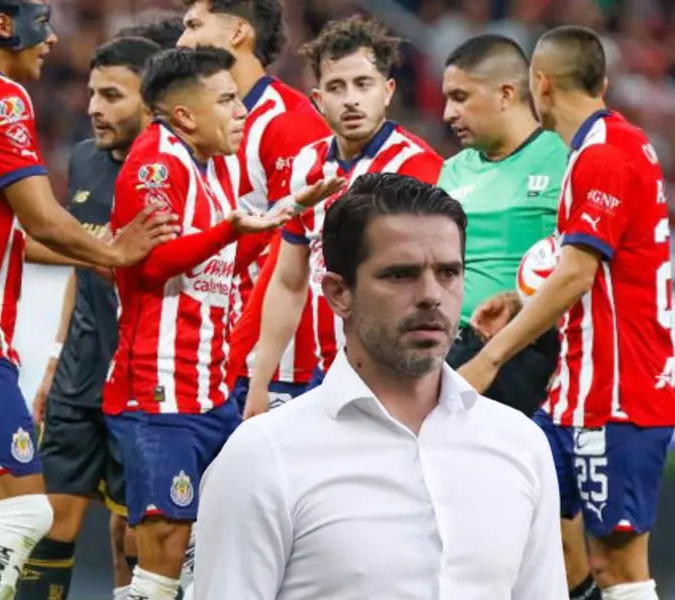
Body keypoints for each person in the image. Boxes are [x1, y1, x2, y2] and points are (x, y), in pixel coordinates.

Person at [0, 3, 177, 599]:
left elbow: (16, 237)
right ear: (5, 25)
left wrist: (94, 251)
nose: (52, 37)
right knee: (29, 514)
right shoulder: (0, 97)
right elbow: (45, 220)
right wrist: (118, 252)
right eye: (40, 20)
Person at [193, 172, 567, 599]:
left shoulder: (521, 446)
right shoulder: (261, 458)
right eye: (400, 275)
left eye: (448, 272)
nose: (431, 295)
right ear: (339, 293)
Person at [101, 45, 341, 600]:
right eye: (228, 100)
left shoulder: (207, 168)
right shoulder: (156, 161)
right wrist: (232, 229)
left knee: (202, 560)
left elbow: (218, 254)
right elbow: (152, 260)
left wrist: (289, 210)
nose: (241, 113)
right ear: (185, 114)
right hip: (160, 392)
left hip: (208, 390)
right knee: (159, 569)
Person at [457, 25, 675, 599]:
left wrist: (490, 358)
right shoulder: (605, 144)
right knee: (541, 526)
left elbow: (579, 272)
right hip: (576, 391)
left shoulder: (602, 155)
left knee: (619, 565)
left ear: (540, 84)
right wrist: (519, 299)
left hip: (618, 390)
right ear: (601, 82)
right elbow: (586, 268)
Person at [18, 36, 164, 600]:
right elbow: (81, 265)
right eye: (92, 93)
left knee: (135, 535)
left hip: (143, 375)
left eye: (112, 95)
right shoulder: (83, 159)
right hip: (80, 372)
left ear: (150, 103)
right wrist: (55, 358)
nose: (94, 108)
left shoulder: (178, 172)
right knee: (51, 522)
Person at [241, 15, 443, 420]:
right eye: (337, 87)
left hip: (389, 376)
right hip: (324, 374)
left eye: (363, 85)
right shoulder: (307, 165)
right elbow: (288, 280)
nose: (351, 99)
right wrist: (259, 384)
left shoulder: (416, 166)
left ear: (387, 92)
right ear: (318, 100)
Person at [177, 0, 334, 413]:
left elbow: (290, 250)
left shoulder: (288, 122)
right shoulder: (201, 124)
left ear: (238, 33)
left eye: (194, 25)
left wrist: (241, 353)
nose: (183, 40)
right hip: (214, 349)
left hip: (270, 360)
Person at [438, 34, 568, 420]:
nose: (448, 113)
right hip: (447, 350)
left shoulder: (564, 158)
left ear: (506, 94)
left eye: (460, 97)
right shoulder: (452, 170)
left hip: (528, 353)